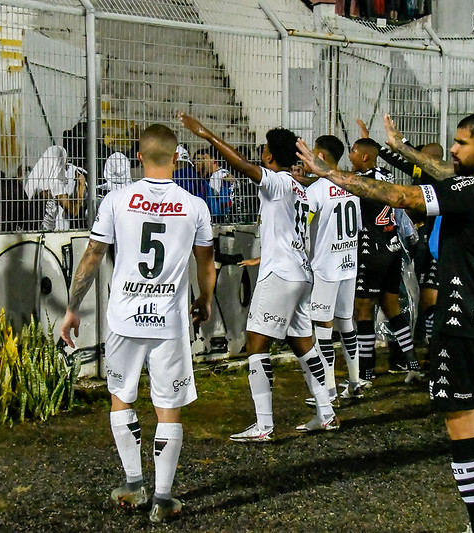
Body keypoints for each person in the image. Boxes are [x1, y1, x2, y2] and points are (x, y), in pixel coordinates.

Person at [297, 111, 474, 533]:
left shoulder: (471, 192)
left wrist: (330, 173)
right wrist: (403, 148)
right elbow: (449, 172)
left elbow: (403, 197)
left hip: (463, 327)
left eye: (461, 142)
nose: (453, 149)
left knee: (463, 425)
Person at [60, 123, 216, 523]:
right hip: (169, 322)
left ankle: (133, 484)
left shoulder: (116, 200)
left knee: (121, 396)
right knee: (168, 405)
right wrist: (205, 300)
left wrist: (72, 307)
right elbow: (206, 263)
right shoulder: (195, 205)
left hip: (124, 319)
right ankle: (163, 499)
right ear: (178, 156)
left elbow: (93, 256)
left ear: (140, 157)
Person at [179, 112, 337, 441]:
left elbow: (244, 168)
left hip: (280, 276)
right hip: (300, 274)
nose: (260, 153)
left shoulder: (278, 182)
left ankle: (264, 425)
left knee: (255, 345)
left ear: (269, 155)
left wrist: (207, 135)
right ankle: (326, 412)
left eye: (264, 148)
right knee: (303, 345)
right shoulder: (300, 189)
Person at [348, 137, 422, 383]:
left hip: (373, 251)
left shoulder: (365, 182)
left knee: (363, 310)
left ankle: (365, 374)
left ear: (365, 157)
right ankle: (412, 365)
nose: (350, 157)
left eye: (354, 152)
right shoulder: (385, 175)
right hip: (392, 248)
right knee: (392, 309)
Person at [304, 135, 365, 404]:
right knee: (346, 323)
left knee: (323, 327)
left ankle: (328, 388)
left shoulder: (317, 190)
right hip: (349, 263)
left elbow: (303, 224)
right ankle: (355, 381)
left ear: (322, 156)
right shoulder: (351, 185)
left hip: (326, 266)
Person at [193, 146, 234, 223]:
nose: (203, 162)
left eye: (205, 159)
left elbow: (215, 201)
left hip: (222, 218)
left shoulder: (216, 177)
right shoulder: (224, 173)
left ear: (213, 160)